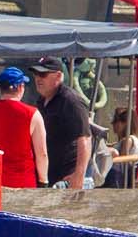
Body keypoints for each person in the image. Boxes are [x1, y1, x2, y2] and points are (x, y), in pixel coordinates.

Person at [30, 56, 92, 191]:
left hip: (68, 179)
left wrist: (79, 176)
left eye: (43, 74)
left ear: (58, 76)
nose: (38, 78)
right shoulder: (41, 101)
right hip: (52, 179)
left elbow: (85, 139)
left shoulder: (71, 100)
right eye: (36, 74)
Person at [95, 107, 138, 187]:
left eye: (115, 121)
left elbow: (121, 162)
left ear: (125, 123)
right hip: (130, 178)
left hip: (118, 180)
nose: (112, 124)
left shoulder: (128, 141)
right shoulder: (137, 139)